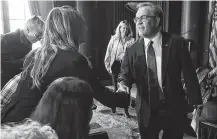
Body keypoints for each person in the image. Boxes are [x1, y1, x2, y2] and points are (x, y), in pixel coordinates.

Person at [1, 6, 129, 124]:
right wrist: (123, 96)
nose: (86, 28)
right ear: (72, 29)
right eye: (82, 25)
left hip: (11, 119)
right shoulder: (73, 60)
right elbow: (101, 94)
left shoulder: (37, 53)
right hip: (31, 126)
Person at [117, 2, 202, 139]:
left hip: (174, 108)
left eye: (143, 18)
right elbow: (125, 75)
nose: (138, 23)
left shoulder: (176, 43)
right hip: (146, 110)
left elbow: (189, 74)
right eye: (136, 19)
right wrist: (123, 86)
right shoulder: (131, 49)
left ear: (157, 20)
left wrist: (196, 102)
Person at [1, 16, 45, 88]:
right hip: (6, 81)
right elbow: (4, 64)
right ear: (27, 30)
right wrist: (26, 60)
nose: (39, 39)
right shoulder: (7, 39)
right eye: (37, 35)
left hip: (19, 78)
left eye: (41, 36)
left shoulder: (28, 40)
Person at [104, 20, 134, 93]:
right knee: (116, 89)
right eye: (123, 28)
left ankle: (126, 103)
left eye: (127, 29)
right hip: (116, 65)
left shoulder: (132, 40)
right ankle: (117, 103)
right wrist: (108, 66)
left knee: (126, 87)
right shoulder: (114, 39)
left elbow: (133, 55)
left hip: (126, 65)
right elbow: (108, 52)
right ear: (119, 28)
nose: (125, 30)